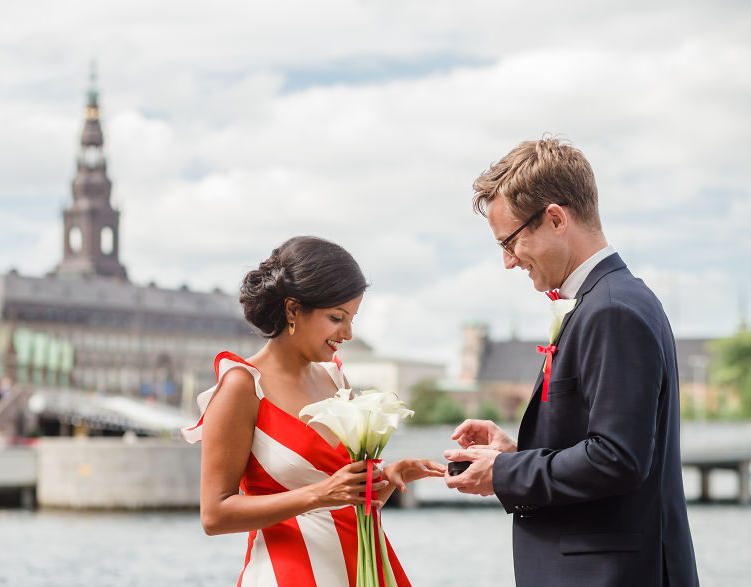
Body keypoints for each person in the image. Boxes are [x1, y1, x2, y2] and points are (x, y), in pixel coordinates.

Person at [445, 136, 699, 586]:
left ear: (556, 219)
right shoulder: (607, 300)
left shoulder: (612, 309)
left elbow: (617, 458)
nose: (507, 261)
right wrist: (516, 452)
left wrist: (504, 472)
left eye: (510, 241)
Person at [183, 236, 444, 586]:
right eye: (337, 317)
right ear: (292, 310)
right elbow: (215, 515)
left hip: (364, 565)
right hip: (289, 573)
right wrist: (319, 495)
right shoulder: (241, 387)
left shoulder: (335, 379)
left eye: (352, 318)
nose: (348, 333)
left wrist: (386, 478)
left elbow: (342, 493)